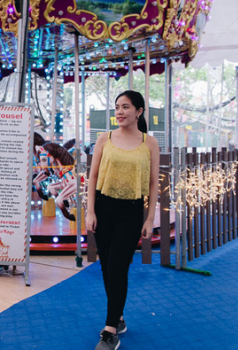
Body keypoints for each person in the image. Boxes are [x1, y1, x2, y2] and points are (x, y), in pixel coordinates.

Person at [86, 91, 159, 350]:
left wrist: (150, 218)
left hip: (131, 211)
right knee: (107, 267)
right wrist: (90, 211)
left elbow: (152, 184)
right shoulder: (104, 139)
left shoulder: (149, 143)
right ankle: (117, 318)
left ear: (139, 111)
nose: (119, 112)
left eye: (125, 107)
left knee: (118, 266)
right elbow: (93, 177)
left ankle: (109, 330)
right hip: (104, 207)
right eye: (117, 107)